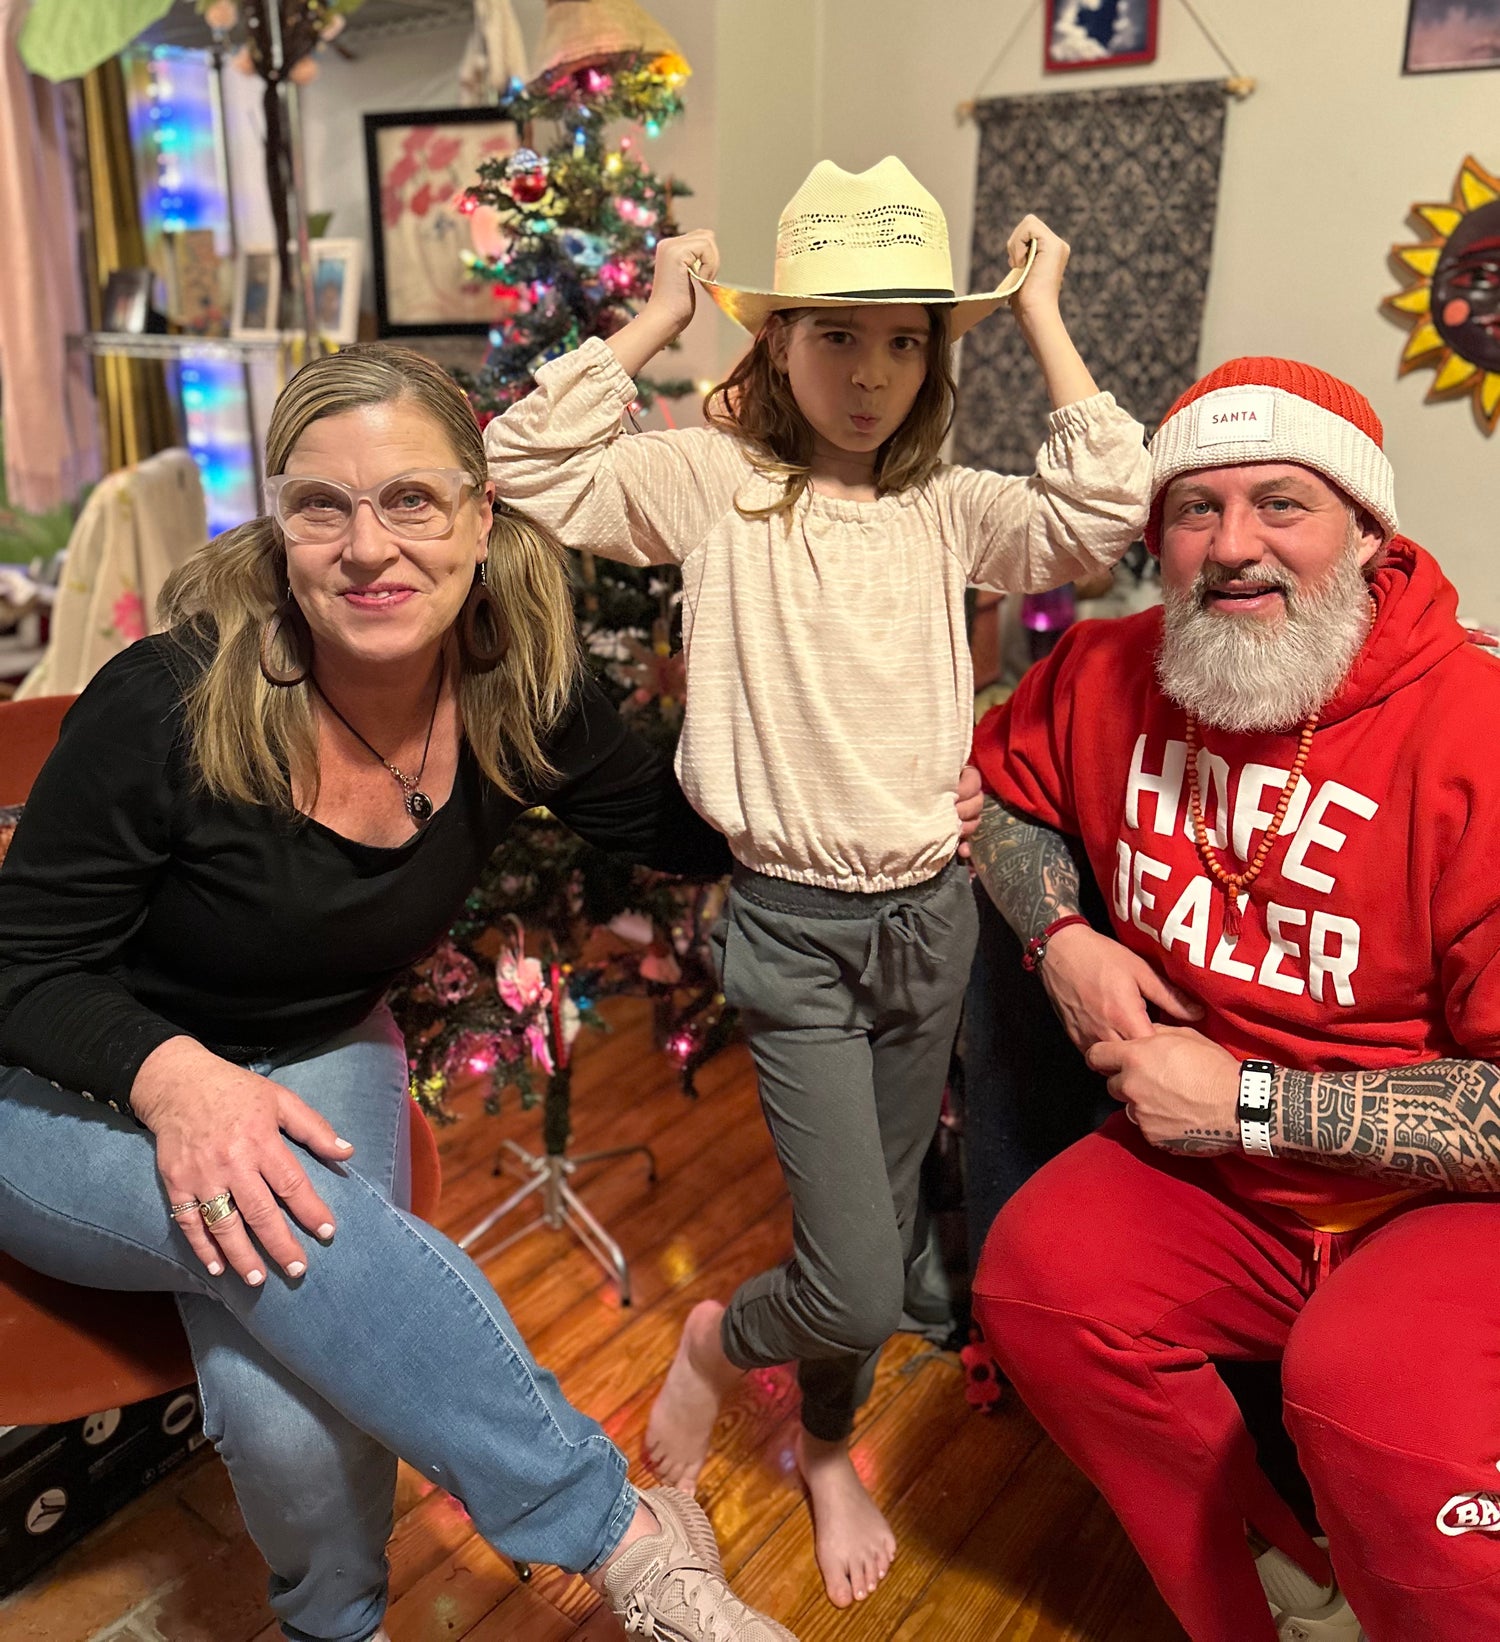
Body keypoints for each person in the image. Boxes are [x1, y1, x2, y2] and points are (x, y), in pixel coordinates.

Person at [0, 344, 811, 1642]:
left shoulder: (515, 689)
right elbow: (19, 964)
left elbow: (691, 828)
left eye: (413, 500)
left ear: (482, 516)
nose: (367, 545)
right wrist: (174, 1077)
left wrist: (880, 773)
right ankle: (628, 1537)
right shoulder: (169, 700)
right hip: (61, 1082)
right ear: (278, 523)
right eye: (323, 504)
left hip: (317, 1041)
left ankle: (336, 1627)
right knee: (305, 1225)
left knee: (284, 1407)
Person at [484, 155, 1151, 1608]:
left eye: (906, 338)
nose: (872, 373)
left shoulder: (948, 506)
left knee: (888, 1240)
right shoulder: (718, 485)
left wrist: (1037, 312)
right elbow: (526, 468)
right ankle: (720, 1346)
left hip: (931, 918)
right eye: (836, 333)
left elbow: (1106, 512)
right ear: (775, 341)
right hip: (790, 927)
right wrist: (660, 320)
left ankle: (831, 1441)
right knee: (852, 1279)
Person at [967, 356, 1500, 1642]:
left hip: (1441, 1199)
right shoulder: (1111, 666)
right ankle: (1262, 1597)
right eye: (1196, 509)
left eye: (1282, 503)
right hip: (1212, 1179)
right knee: (1036, 1281)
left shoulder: (1477, 733)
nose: (1233, 546)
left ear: (1371, 534)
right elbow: (1003, 799)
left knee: (1372, 1397)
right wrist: (1059, 938)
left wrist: (1253, 1101)